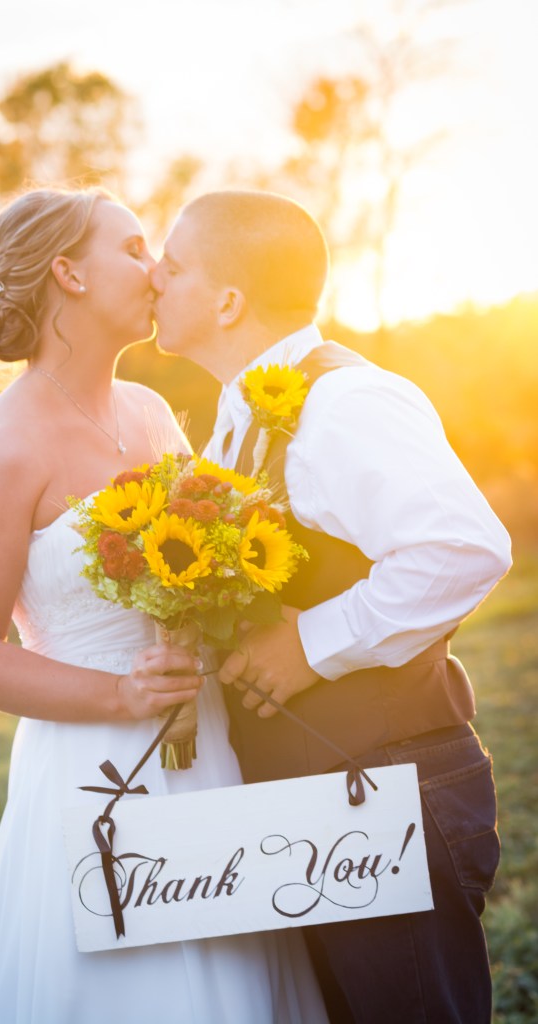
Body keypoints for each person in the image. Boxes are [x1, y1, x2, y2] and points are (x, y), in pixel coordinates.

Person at [0, 187, 328, 1023]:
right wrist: (121, 696)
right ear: (68, 273)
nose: (156, 270)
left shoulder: (151, 413)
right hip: (95, 773)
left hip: (210, 751)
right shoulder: (2, 446)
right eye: (135, 247)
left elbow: (213, 573)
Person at [151, 189, 512, 1024]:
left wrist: (308, 646)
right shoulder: (236, 420)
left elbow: (461, 547)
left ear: (228, 299)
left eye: (172, 267)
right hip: (314, 807)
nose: (154, 281)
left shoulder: (344, 403)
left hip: (389, 791)